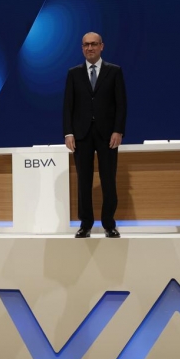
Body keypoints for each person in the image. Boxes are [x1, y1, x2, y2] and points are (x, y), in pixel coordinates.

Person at [63, 32, 127, 238]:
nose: (89, 48)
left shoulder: (114, 71)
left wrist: (118, 130)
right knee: (84, 180)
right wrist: (68, 132)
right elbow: (68, 106)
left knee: (108, 179)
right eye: (85, 45)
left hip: (108, 134)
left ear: (102, 46)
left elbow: (121, 105)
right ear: (82, 48)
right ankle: (86, 224)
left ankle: (109, 224)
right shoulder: (73, 73)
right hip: (81, 134)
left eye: (93, 44)